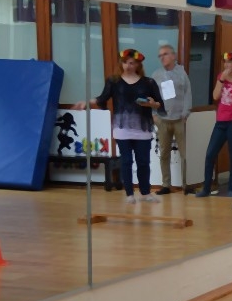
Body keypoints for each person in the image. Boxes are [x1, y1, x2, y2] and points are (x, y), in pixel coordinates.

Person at [73, 48, 163, 205]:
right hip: (122, 129)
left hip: (142, 129)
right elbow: (102, 98)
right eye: (125, 62)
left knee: (143, 162)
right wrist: (86, 102)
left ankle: (145, 192)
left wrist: (151, 104)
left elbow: (159, 103)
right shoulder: (113, 81)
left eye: (132, 63)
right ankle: (129, 194)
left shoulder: (148, 82)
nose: (128, 66)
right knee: (126, 161)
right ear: (121, 63)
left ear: (138, 65)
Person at [196, 52, 232, 198]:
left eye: (230, 62)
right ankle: (206, 188)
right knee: (210, 154)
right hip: (221, 121)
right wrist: (221, 79)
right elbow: (215, 96)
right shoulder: (221, 77)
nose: (227, 65)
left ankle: (231, 189)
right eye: (225, 62)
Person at [151, 43, 191, 195]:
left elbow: (187, 93)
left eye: (165, 54)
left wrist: (186, 112)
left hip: (179, 119)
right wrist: (154, 114)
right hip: (163, 120)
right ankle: (166, 184)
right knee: (164, 153)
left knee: (184, 154)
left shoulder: (181, 73)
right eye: (160, 55)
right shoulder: (156, 75)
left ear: (173, 56)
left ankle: (185, 184)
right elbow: (152, 96)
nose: (162, 58)